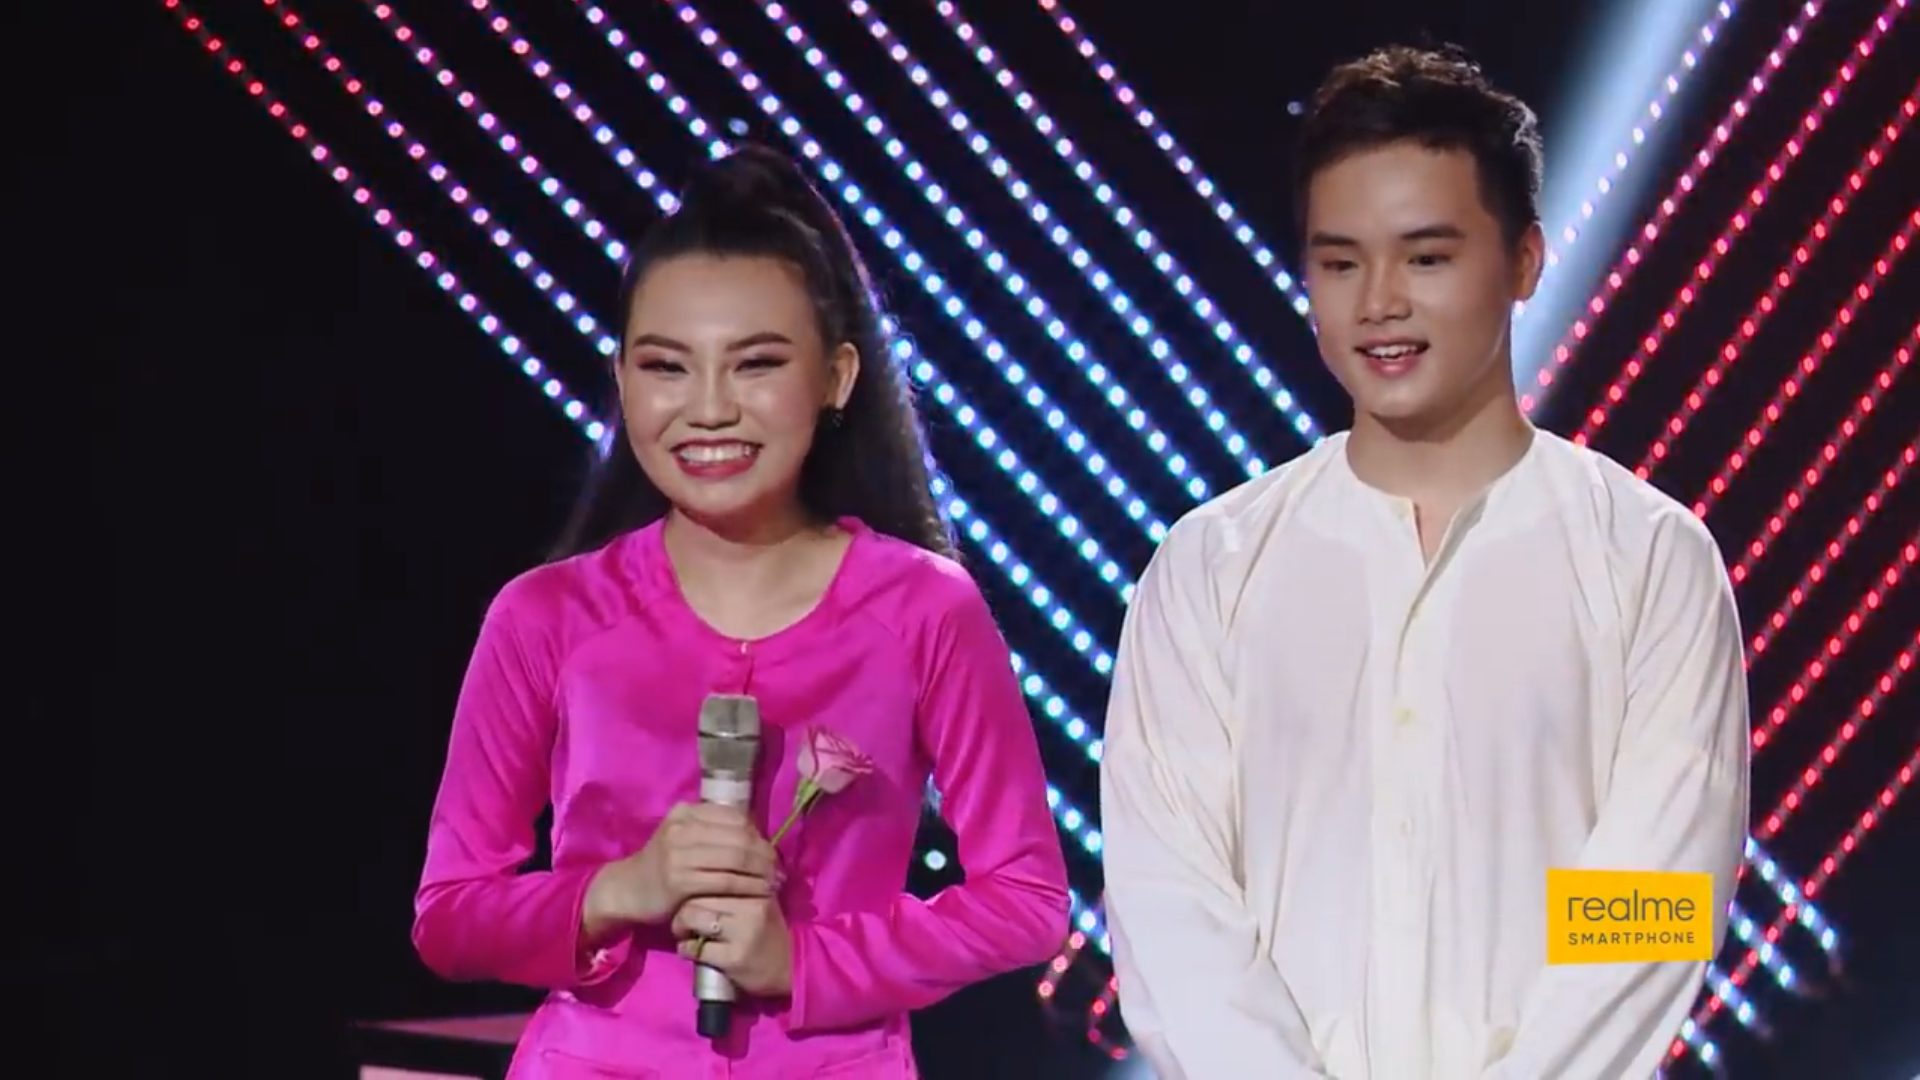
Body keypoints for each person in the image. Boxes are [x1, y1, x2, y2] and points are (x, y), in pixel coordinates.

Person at [1100, 45, 1750, 1079]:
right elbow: (1167, 898)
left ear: (1524, 261)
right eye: (1340, 263)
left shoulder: (1649, 558)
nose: (1379, 302)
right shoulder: (1208, 567)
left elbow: (1652, 901)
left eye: (1427, 258)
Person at [411, 144, 1070, 1078]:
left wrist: (806, 963)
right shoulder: (547, 616)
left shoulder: (923, 608)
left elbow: (1026, 899)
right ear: (623, 379)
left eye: (755, 364)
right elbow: (449, 915)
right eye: (667, 367)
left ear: (836, 377)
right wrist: (619, 890)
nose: (709, 409)